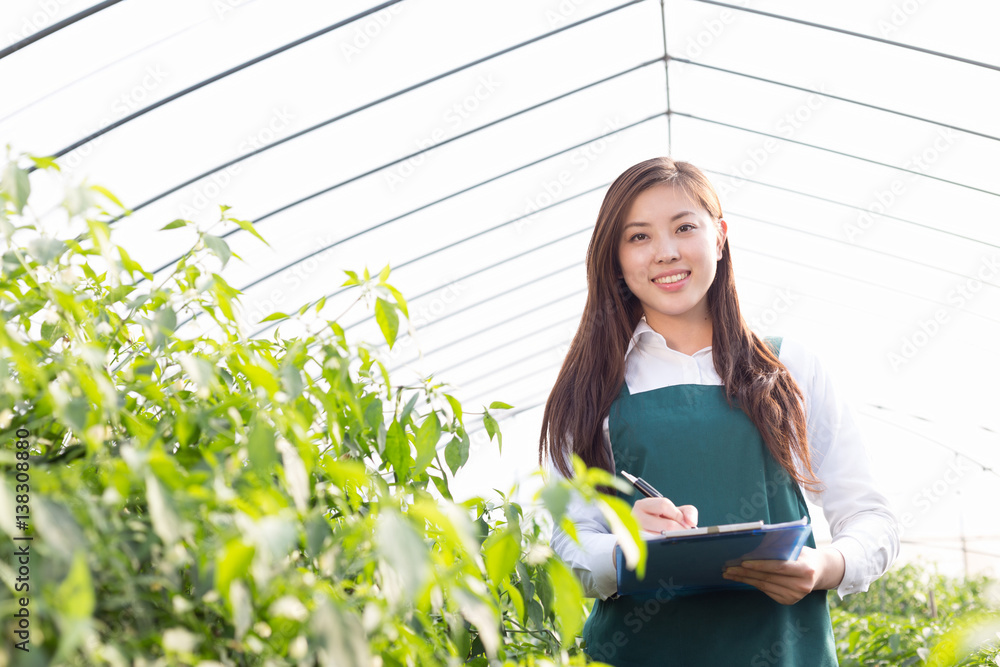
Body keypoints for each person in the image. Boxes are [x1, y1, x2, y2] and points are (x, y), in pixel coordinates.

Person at [538, 157, 900, 666]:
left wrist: (826, 566)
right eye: (638, 237)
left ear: (720, 236)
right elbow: (565, 542)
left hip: (785, 650)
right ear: (615, 257)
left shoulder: (788, 366)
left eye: (685, 227)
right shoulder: (589, 387)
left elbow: (871, 517)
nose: (666, 252)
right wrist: (625, 547)